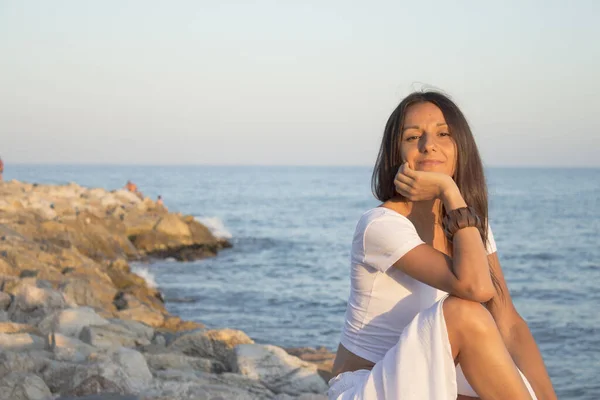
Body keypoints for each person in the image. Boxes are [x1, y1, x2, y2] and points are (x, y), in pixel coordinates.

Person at [329, 91, 557, 400]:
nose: (428, 145)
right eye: (413, 137)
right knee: (465, 312)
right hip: (369, 388)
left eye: (443, 133)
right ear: (396, 153)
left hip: (433, 382)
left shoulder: (471, 228)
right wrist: (448, 187)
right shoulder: (381, 225)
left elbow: (510, 322)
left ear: (461, 146)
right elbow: (475, 289)